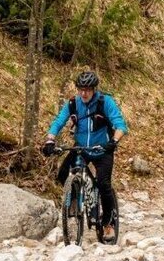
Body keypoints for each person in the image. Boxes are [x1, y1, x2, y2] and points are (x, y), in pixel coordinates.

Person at [41, 70, 128, 241]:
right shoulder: (73, 103)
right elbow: (59, 121)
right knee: (62, 174)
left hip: (102, 149)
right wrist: (50, 140)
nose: (83, 93)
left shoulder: (105, 102)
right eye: (81, 89)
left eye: (87, 89)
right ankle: (74, 200)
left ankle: (108, 224)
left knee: (103, 184)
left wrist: (114, 141)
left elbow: (120, 124)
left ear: (94, 89)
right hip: (81, 148)